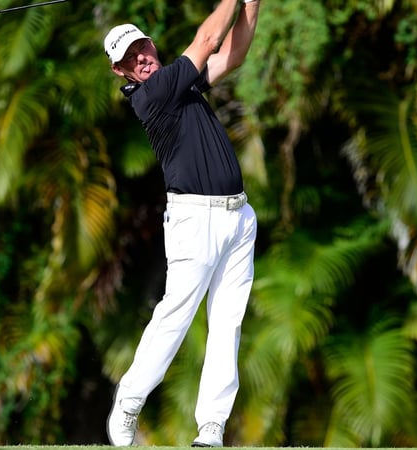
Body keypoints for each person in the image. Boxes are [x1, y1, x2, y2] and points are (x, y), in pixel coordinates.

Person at [102, 0, 261, 447]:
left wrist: (251, 3)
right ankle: (130, 400)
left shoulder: (181, 83)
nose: (140, 58)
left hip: (238, 218)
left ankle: (211, 426)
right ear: (122, 73)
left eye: (140, 47)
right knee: (176, 315)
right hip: (195, 221)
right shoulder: (153, 94)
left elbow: (233, 53)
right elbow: (209, 40)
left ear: (150, 42)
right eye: (129, 59)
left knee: (227, 323)